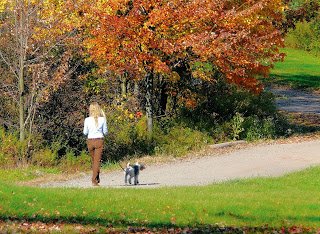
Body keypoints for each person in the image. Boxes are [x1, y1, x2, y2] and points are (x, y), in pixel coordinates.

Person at [83, 102, 108, 186]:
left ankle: (96, 179)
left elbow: (85, 132)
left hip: (90, 141)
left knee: (94, 161)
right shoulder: (102, 119)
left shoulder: (87, 120)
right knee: (97, 162)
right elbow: (105, 132)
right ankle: (94, 180)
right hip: (99, 141)